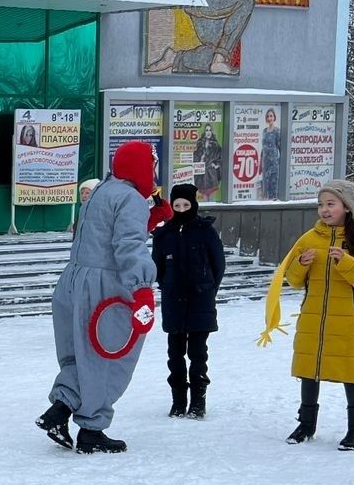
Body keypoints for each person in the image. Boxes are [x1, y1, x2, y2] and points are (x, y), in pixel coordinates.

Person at [36, 140, 159, 454]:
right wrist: (142, 289)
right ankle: (91, 429)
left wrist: (153, 218)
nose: (155, 172)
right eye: (152, 165)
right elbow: (129, 246)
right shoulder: (130, 198)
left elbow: (104, 233)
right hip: (105, 287)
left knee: (79, 354)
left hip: (73, 281)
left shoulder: (100, 192)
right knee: (107, 357)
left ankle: (60, 409)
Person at [258, 179, 354, 449]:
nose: (324, 210)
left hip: (350, 320)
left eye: (331, 204)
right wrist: (301, 266)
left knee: (352, 372)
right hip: (313, 317)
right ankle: (306, 424)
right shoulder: (309, 238)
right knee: (308, 369)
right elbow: (292, 280)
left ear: (347, 207)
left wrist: (347, 262)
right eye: (320, 204)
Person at [153, 183, 226, 418]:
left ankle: (197, 402)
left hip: (200, 301)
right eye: (177, 205)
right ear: (172, 206)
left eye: (186, 204)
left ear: (194, 205)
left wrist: (207, 289)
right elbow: (158, 267)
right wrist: (167, 285)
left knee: (198, 354)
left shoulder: (205, 231)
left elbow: (218, 265)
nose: (182, 209)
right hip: (174, 301)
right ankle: (178, 401)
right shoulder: (164, 234)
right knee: (175, 355)